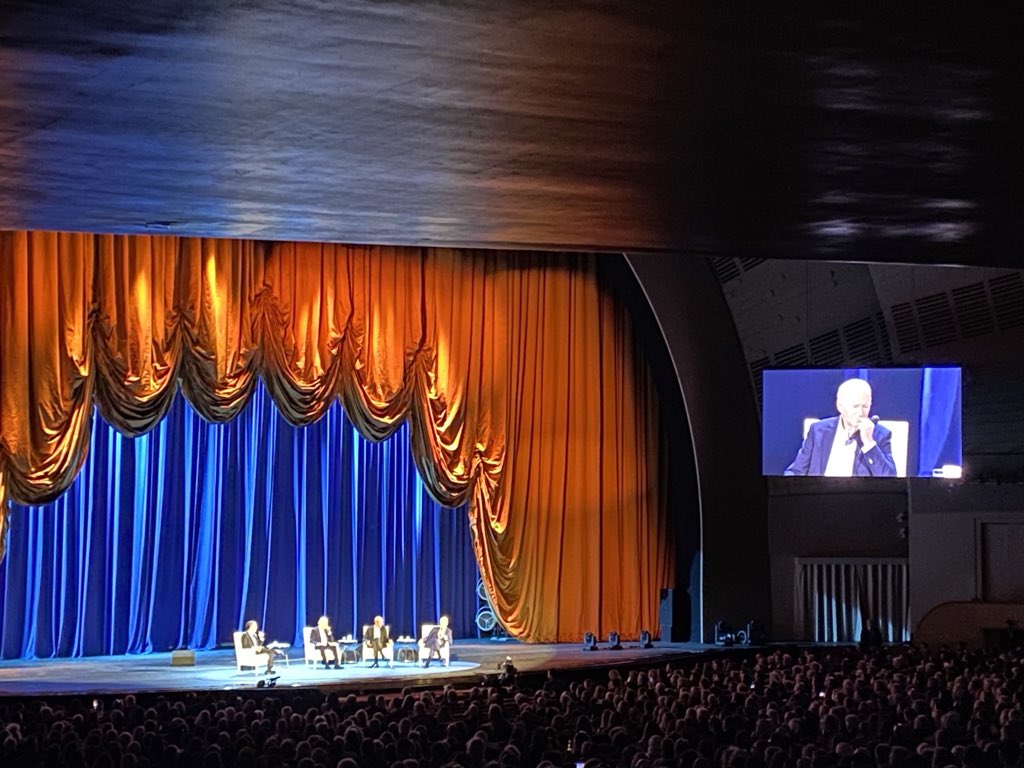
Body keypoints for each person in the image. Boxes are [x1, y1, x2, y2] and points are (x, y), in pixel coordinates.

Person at [784, 378, 897, 477]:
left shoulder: (880, 435)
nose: (861, 413)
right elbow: (796, 471)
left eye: (865, 406)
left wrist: (869, 442)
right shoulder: (818, 431)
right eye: (855, 406)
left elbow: (890, 478)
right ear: (840, 406)